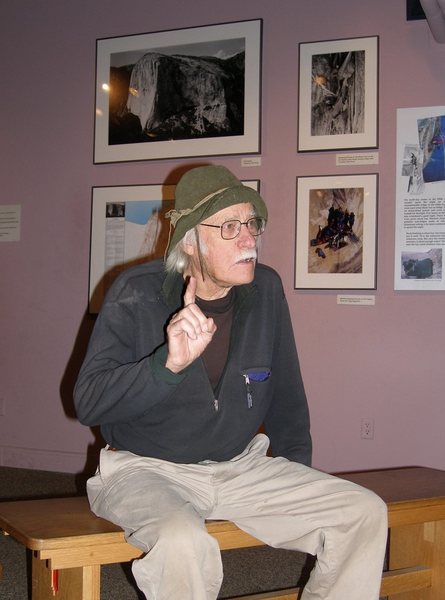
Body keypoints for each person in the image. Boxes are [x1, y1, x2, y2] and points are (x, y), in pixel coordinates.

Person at [74, 165, 387, 600]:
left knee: (363, 512)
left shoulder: (266, 290)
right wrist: (166, 365)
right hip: (147, 470)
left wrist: (296, 472)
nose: (249, 239)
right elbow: (88, 402)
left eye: (252, 223)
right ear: (189, 240)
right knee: (182, 542)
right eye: (229, 226)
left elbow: (286, 393)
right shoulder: (136, 292)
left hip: (241, 467)